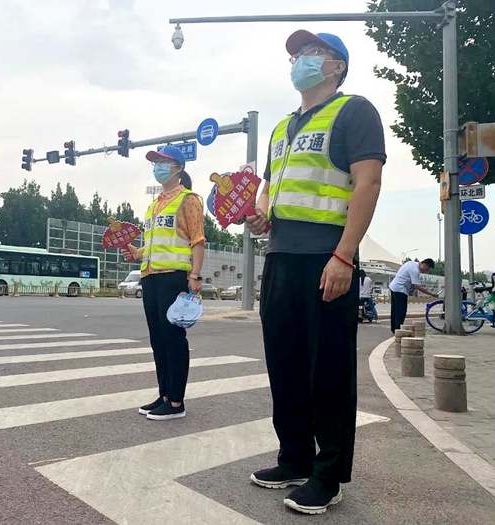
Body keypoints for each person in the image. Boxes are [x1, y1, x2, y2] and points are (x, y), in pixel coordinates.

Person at [245, 30, 385, 515]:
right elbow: (268, 192)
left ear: (337, 66)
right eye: (295, 54)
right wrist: (261, 215)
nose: (299, 60)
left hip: (327, 258)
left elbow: (367, 183)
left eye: (312, 53)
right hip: (281, 259)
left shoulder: (355, 111)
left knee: (327, 371)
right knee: (284, 364)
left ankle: (329, 476)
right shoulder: (283, 128)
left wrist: (345, 255)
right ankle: (295, 458)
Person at [121, 145, 205, 421]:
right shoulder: (155, 205)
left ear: (178, 168)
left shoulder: (188, 199)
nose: (158, 166)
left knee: (173, 338)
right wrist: (137, 253)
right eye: (155, 162)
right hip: (151, 276)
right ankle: (164, 394)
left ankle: (176, 401)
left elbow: (197, 240)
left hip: (174, 276)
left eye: (163, 162)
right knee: (157, 339)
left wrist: (195, 276)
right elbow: (155, 243)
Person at [389, 258, 438, 333]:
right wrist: (431, 294)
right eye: (427, 269)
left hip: (394, 287)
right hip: (400, 289)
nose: (426, 271)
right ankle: (398, 330)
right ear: (424, 264)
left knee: (395, 310)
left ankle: (394, 329)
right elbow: (417, 286)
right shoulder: (415, 270)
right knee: (401, 311)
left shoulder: (410, 263)